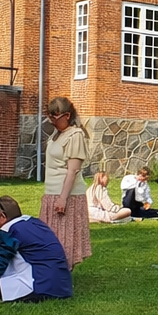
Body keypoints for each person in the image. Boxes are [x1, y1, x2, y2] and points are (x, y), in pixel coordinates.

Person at [0, 196, 72, 302]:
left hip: (37, 286)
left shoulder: (8, 230)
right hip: (62, 286)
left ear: (2, 216)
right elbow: (21, 253)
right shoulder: (35, 222)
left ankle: (7, 297)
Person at [41, 96, 92, 269]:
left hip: (67, 195)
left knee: (64, 238)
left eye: (55, 117)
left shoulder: (75, 135)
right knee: (50, 237)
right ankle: (52, 270)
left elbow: (72, 171)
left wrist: (63, 198)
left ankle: (62, 272)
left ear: (67, 115)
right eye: (50, 116)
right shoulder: (57, 135)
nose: (52, 121)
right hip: (52, 193)